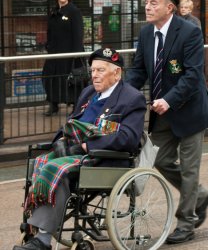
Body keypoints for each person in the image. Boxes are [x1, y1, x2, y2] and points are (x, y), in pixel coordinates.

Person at [13, 48, 147, 250]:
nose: (94, 75)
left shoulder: (131, 98)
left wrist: (89, 145)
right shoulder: (88, 92)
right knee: (38, 162)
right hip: (75, 151)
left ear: (116, 73)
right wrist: (57, 142)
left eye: (100, 70)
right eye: (92, 70)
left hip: (102, 158)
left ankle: (43, 240)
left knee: (56, 170)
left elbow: (128, 138)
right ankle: (32, 229)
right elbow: (72, 122)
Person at [125, 0, 208, 244]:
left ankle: (186, 223)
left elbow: (192, 75)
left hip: (189, 112)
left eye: (154, 2)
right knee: (159, 160)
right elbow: (139, 71)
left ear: (169, 7)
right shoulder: (145, 34)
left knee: (189, 170)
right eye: (147, 2)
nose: (148, 6)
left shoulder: (189, 32)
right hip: (162, 112)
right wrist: (120, 96)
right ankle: (199, 195)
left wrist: (169, 99)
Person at [42, 0, 86, 116]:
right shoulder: (54, 12)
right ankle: (53, 104)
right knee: (49, 77)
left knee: (72, 80)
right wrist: (48, 46)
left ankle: (75, 106)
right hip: (54, 54)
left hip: (70, 54)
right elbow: (49, 32)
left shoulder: (74, 11)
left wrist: (76, 54)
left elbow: (78, 33)